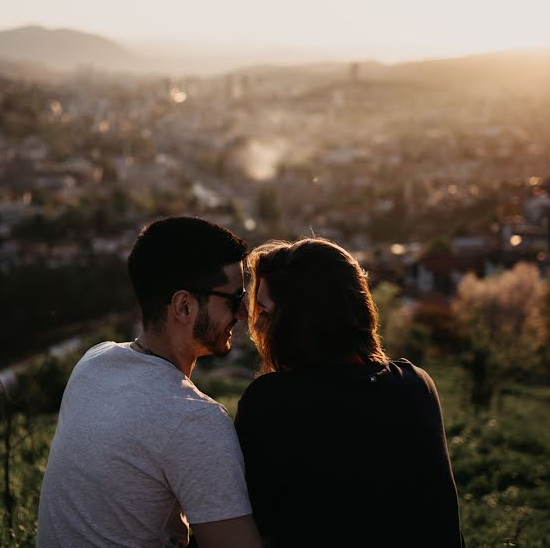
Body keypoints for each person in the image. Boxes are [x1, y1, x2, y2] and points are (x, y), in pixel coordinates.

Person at [37, 216, 263, 548]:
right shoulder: (195, 421)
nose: (244, 313)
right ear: (184, 306)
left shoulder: (92, 362)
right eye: (233, 299)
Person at [235, 238, 465, 547]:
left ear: (296, 322)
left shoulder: (271, 401)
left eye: (264, 312)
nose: (257, 326)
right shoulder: (415, 384)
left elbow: (244, 527)